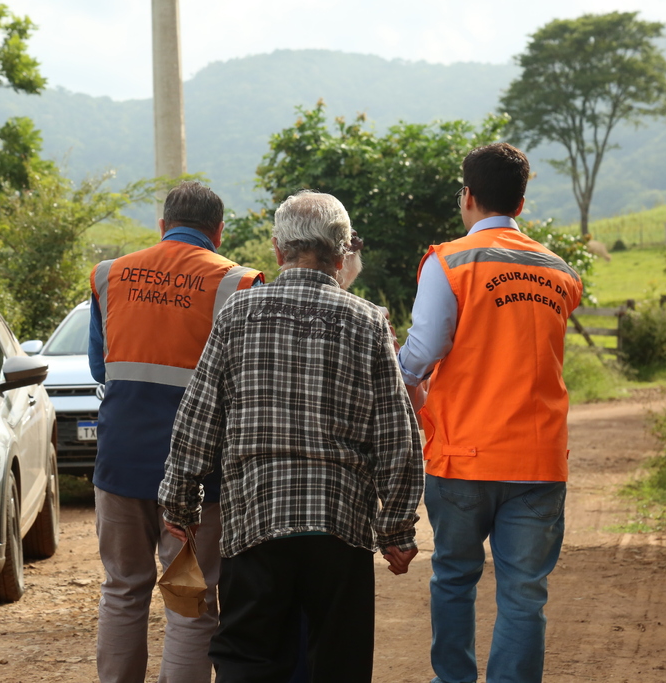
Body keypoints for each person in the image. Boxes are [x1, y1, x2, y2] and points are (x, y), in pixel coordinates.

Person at [158, 190, 423, 683]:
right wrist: (396, 530)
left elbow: (197, 419)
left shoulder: (238, 315)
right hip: (339, 528)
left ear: (278, 251)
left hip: (255, 521)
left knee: (249, 660)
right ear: (342, 256)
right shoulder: (368, 322)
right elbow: (397, 433)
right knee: (338, 664)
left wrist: (179, 505)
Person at [397, 142, 583, 683]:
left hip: (463, 456)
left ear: (468, 197)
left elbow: (423, 351)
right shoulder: (560, 271)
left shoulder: (449, 261)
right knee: (524, 594)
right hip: (539, 460)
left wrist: (400, 376)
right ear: (521, 203)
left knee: (454, 576)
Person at [88, 181, 264, 683]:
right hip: (199, 471)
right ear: (219, 230)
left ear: (163, 226)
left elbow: (102, 370)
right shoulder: (238, 283)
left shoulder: (109, 275)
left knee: (123, 589)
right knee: (193, 597)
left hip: (119, 462)